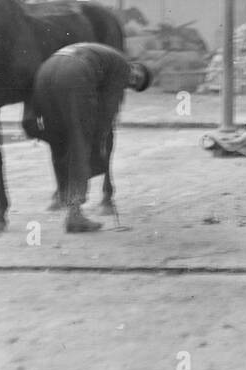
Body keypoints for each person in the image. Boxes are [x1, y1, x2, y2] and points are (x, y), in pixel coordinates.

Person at [22, 43, 151, 233]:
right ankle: (75, 214)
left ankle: (67, 203)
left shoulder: (102, 53)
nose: (131, 81)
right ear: (134, 66)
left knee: (59, 142)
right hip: (75, 73)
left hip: (46, 71)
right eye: (136, 77)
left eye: (134, 85)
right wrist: (98, 142)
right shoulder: (122, 66)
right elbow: (107, 111)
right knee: (80, 144)